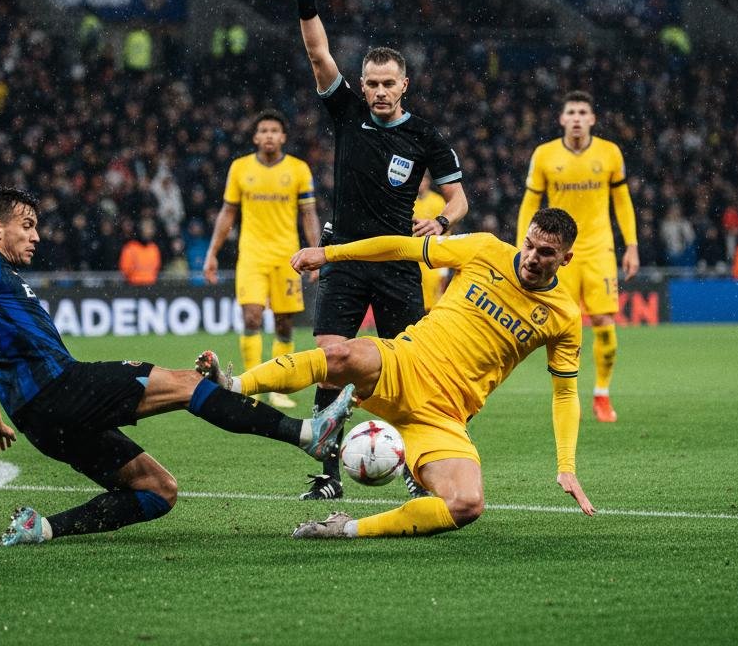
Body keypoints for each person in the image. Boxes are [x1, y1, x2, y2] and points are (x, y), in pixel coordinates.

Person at [0, 187, 353, 544]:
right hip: (62, 389)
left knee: (159, 491)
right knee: (184, 382)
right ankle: (308, 433)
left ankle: (42, 529)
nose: (36, 236)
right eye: (27, 226)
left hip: (39, 422)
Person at [197, 207, 595, 538]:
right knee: (340, 356)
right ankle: (234, 383)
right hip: (404, 362)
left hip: (443, 414)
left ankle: (346, 529)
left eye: (545, 252)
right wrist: (331, 253)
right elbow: (400, 246)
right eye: (528, 244)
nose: (531, 257)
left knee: (467, 504)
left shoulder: (562, 317)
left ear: (565, 259)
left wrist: (566, 466)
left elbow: (564, 393)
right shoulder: (484, 249)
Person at [292, 0, 468, 500]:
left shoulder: (427, 138)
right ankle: (326, 477)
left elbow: (459, 198)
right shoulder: (348, 113)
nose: (379, 92)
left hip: (397, 263)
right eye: (371, 83)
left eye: (388, 83)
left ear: (405, 84)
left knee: (406, 370)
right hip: (343, 256)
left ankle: (419, 476)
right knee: (329, 359)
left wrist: (439, 219)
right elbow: (319, 51)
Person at [517, 91, 638, 423]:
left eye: (583, 111)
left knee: (603, 322)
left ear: (592, 119)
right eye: (570, 111)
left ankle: (601, 393)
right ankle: (563, 393)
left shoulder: (609, 153)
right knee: (557, 325)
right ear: (562, 119)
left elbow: (623, 202)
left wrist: (632, 245)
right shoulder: (544, 155)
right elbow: (530, 203)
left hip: (599, 249)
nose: (576, 117)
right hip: (557, 254)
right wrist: (522, 246)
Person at [203, 109, 321, 409]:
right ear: (256, 137)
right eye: (264, 130)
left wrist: (317, 250)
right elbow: (228, 213)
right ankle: (250, 385)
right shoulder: (240, 169)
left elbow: (308, 214)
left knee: (284, 324)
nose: (269, 135)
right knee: (252, 317)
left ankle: (278, 388)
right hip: (252, 256)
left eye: (274, 130)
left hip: (287, 257)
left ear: (283, 137)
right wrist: (212, 253)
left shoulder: (298, 169)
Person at [412, 174, 451, 311]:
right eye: (419, 180)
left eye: (423, 180)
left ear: (428, 182)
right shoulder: (410, 202)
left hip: (432, 256)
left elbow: (446, 231)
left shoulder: (437, 201)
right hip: (413, 256)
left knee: (434, 301)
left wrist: (444, 267)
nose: (420, 184)